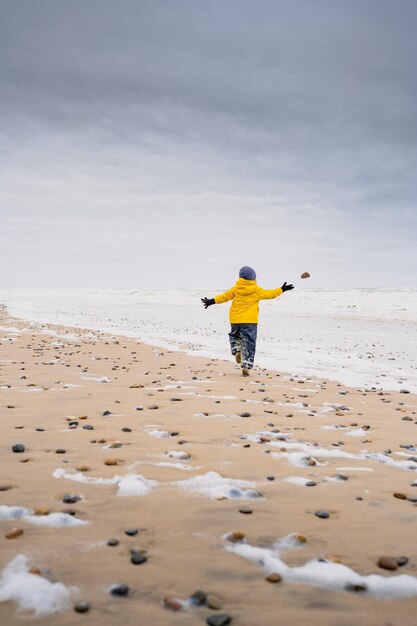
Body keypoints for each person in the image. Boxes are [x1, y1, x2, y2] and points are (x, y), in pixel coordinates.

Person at [201, 266, 294, 376]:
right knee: (249, 342)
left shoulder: (236, 288)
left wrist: (211, 301)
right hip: (250, 321)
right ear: (253, 279)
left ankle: (236, 350)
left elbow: (224, 296)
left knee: (235, 336)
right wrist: (282, 289)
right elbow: (270, 294)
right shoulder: (256, 290)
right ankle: (246, 365)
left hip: (235, 319)